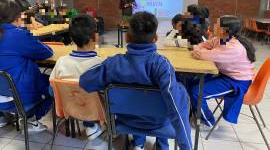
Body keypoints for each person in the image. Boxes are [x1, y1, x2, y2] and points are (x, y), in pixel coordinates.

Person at [79, 11, 192, 150]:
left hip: (127, 121)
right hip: (157, 123)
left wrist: (106, 66)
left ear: (127, 37)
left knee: (134, 103)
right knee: (176, 92)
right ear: (155, 38)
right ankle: (162, 146)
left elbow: (84, 81)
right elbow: (176, 107)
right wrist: (186, 146)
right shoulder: (163, 66)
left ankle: (138, 143)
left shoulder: (113, 64)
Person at [190, 15, 256, 130]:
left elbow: (202, 54)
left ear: (226, 30)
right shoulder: (219, 39)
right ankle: (195, 111)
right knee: (192, 82)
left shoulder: (234, 47)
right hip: (225, 75)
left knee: (197, 92)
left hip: (237, 81)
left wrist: (202, 52)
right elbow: (200, 46)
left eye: (217, 25)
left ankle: (208, 122)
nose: (214, 27)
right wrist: (202, 51)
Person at [0, 0, 53, 133]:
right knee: (53, 85)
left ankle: (3, 117)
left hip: (3, 95)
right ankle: (30, 120)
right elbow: (46, 52)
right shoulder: (18, 35)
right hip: (18, 98)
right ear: (17, 18)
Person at [49, 14, 104, 140]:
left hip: (71, 109)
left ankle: (88, 124)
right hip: (95, 112)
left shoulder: (61, 62)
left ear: (71, 38)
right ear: (95, 37)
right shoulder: (100, 64)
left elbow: (52, 89)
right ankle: (91, 126)